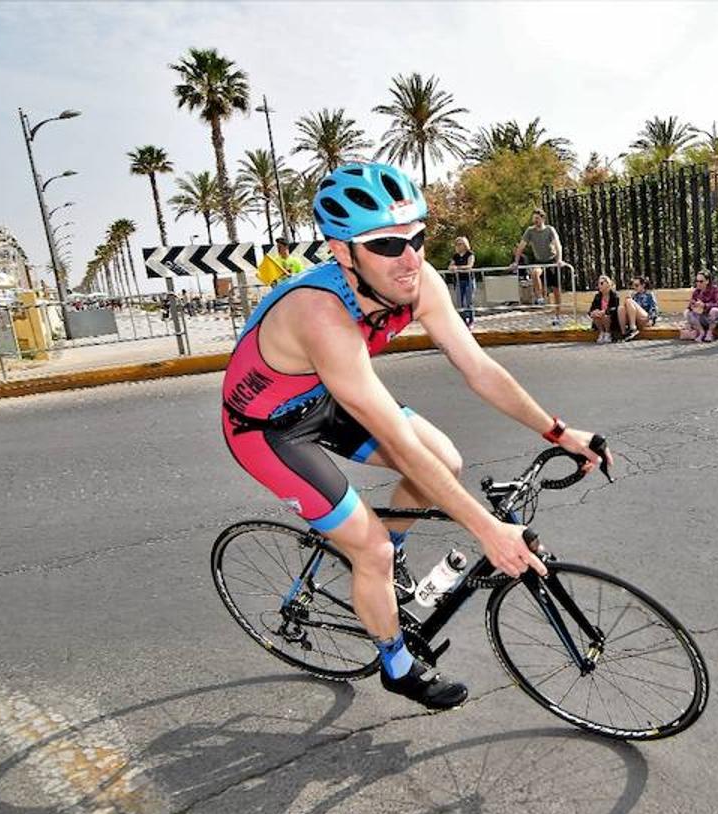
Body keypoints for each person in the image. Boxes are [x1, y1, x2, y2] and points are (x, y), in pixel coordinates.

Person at [220, 162, 611, 710]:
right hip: (267, 431)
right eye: (385, 244)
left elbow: (478, 368)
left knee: (444, 461)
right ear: (341, 252)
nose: (409, 258)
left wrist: (561, 431)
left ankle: (387, 557)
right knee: (372, 550)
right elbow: (400, 446)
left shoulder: (418, 280)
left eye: (418, 238)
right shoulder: (320, 314)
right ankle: (396, 664)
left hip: (325, 397)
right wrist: (488, 531)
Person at [512, 209, 563, 327]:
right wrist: (516, 262)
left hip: (551, 260)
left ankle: (557, 316)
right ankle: (539, 297)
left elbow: (557, 245)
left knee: (556, 290)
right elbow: (521, 247)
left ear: (543, 219)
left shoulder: (550, 230)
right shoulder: (530, 231)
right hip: (539, 261)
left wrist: (559, 259)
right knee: (535, 272)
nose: (535, 221)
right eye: (534, 218)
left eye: (537, 218)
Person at [684, 270, 718, 342]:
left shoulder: (715, 290)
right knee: (687, 313)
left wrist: (705, 305)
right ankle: (701, 332)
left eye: (701, 281)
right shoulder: (696, 292)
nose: (698, 283)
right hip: (702, 318)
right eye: (697, 281)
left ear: (707, 281)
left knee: (714, 311)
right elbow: (689, 306)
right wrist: (694, 305)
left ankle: (710, 333)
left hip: (716, 320)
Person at [447, 236, 476, 326]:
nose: (458, 246)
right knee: (460, 302)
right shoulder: (455, 256)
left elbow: (469, 266)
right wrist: (454, 268)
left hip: (468, 280)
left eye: (460, 244)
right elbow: (450, 267)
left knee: (469, 301)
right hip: (459, 281)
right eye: (457, 244)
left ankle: (471, 321)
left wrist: (457, 268)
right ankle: (463, 321)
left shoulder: (470, 254)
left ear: (465, 244)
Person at [618, 275, 658, 340]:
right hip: (635, 319)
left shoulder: (649, 295)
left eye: (636, 285)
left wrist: (652, 319)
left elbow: (654, 308)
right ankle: (623, 333)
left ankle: (633, 328)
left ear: (643, 285)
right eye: (633, 285)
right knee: (621, 308)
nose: (634, 287)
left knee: (628, 300)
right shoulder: (634, 295)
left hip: (645, 318)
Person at [588, 275, 622, 343]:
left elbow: (615, 308)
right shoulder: (597, 296)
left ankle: (608, 333)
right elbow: (591, 309)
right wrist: (593, 312)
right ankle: (601, 333)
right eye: (598, 283)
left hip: (612, 319)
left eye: (601, 283)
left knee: (605, 316)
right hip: (600, 318)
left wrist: (605, 311)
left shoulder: (614, 295)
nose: (599, 285)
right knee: (596, 316)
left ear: (608, 284)